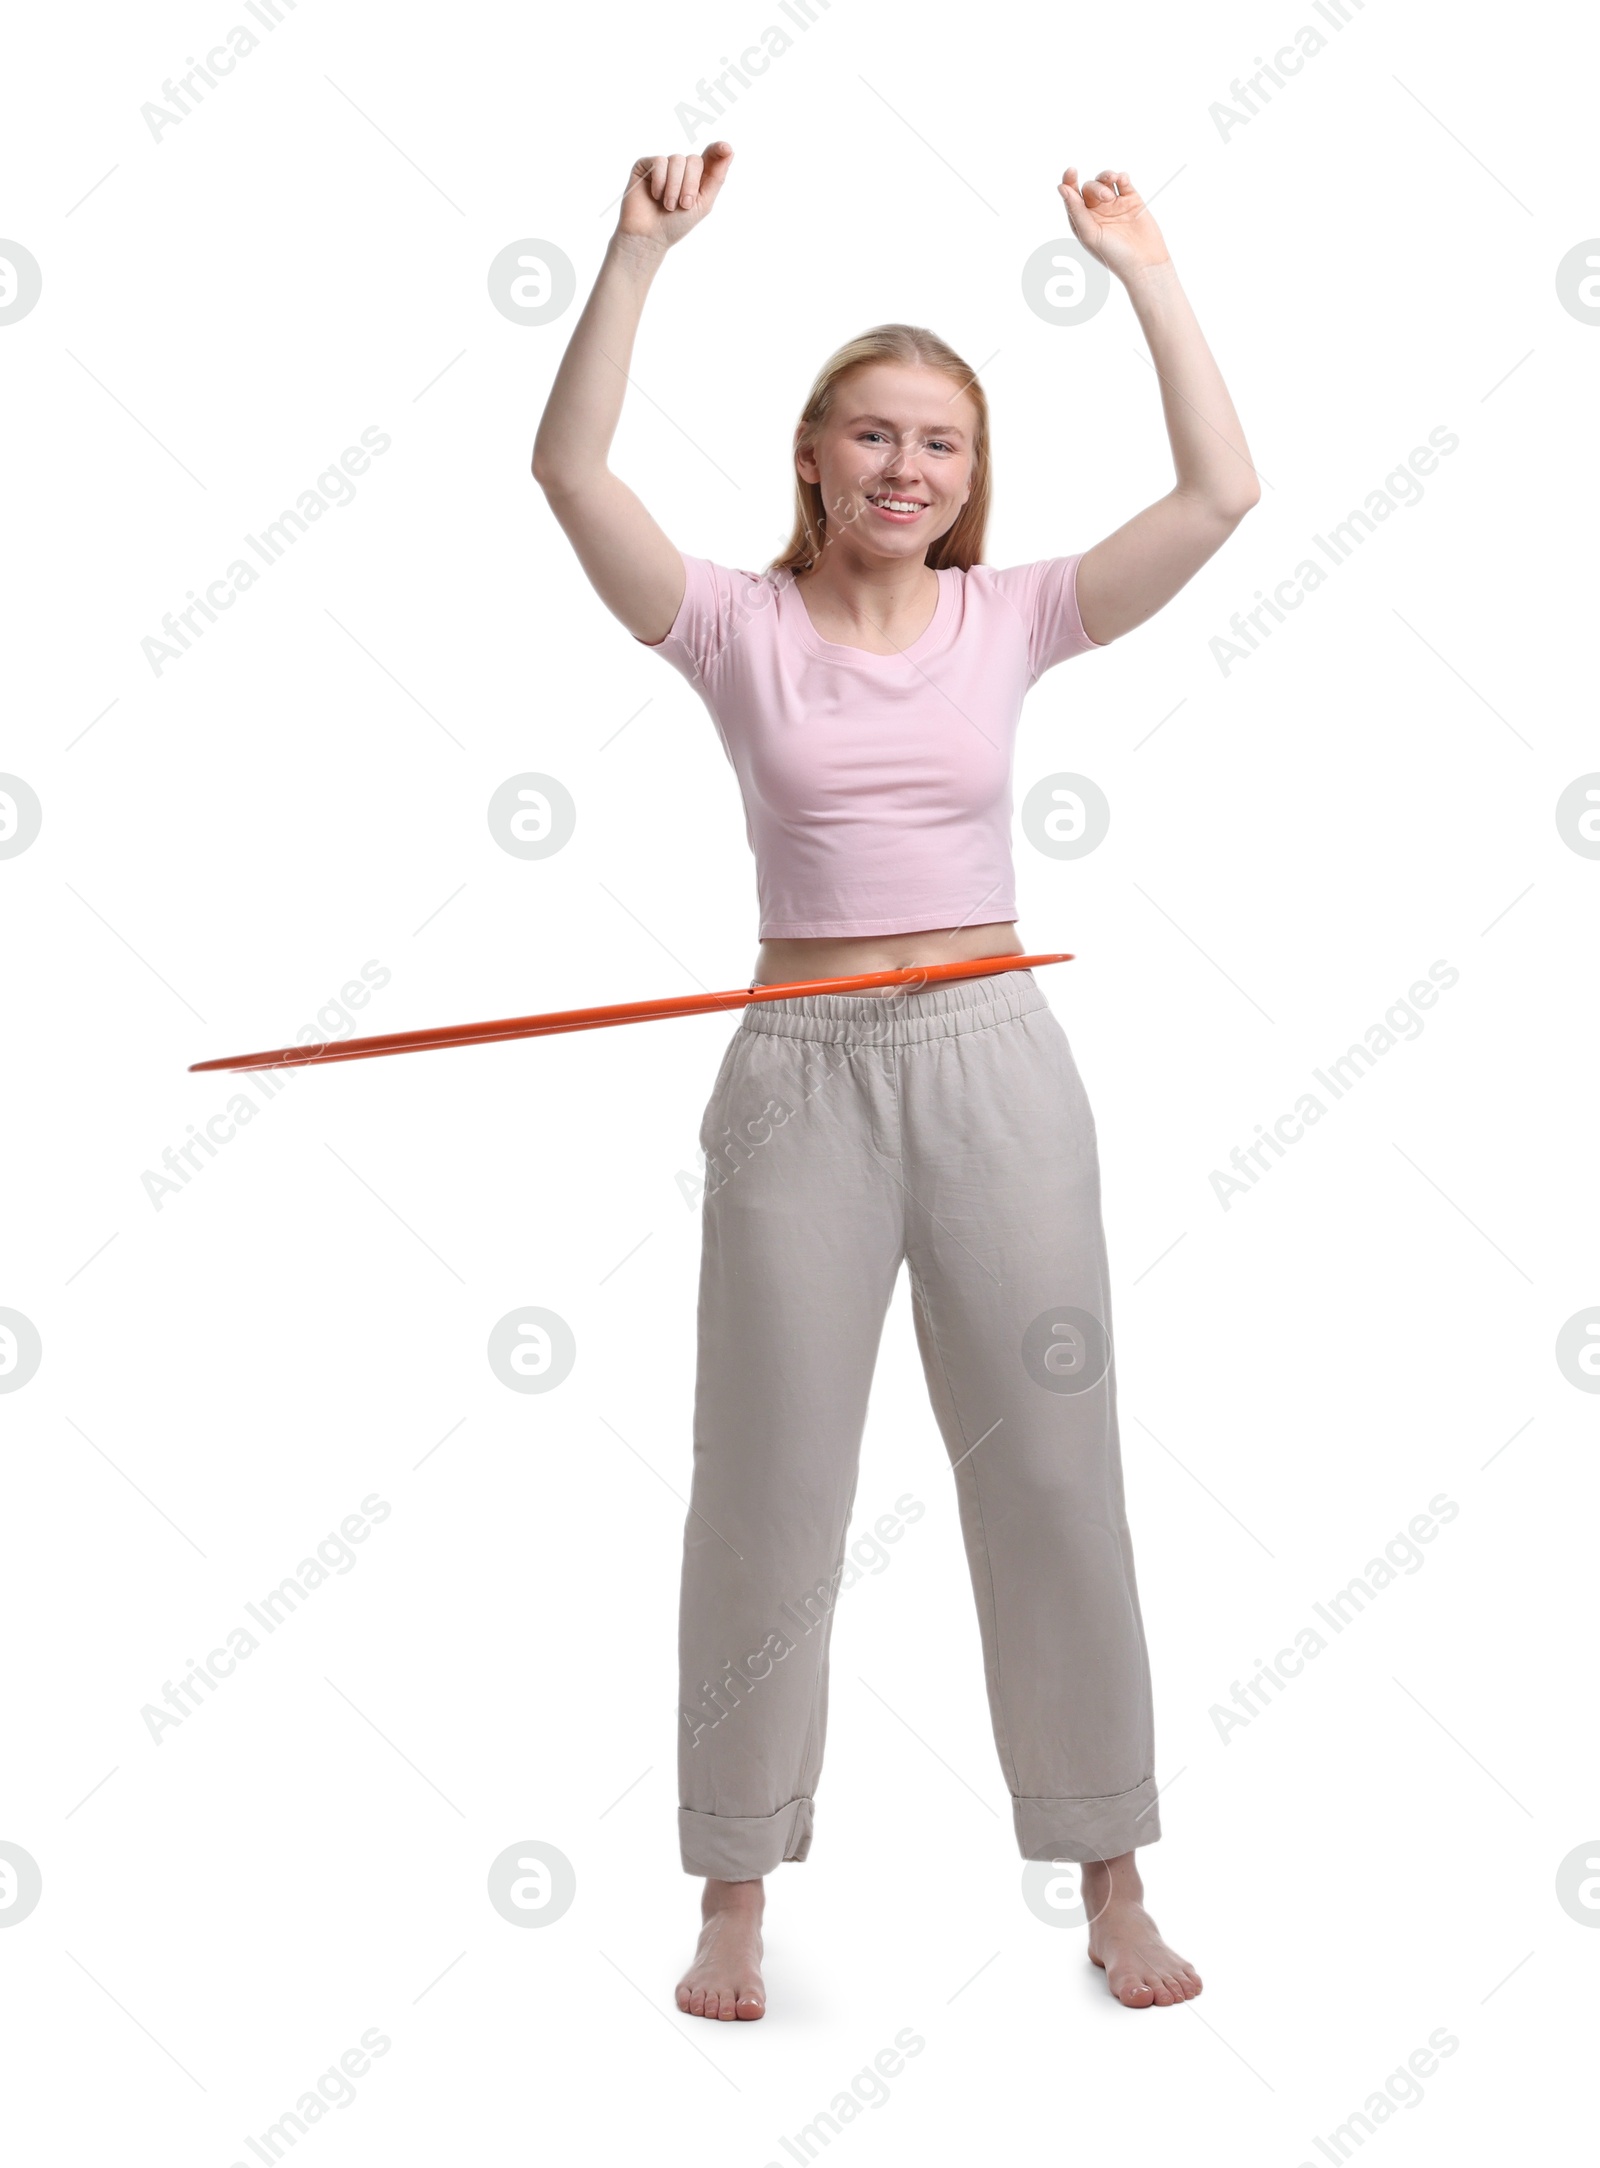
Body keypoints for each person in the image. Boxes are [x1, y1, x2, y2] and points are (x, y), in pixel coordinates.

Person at [532, 142, 1259, 2019]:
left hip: (995, 1069)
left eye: (938, 443)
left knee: (1055, 1481)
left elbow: (1223, 493)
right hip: (798, 1076)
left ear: (970, 476)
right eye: (871, 436)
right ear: (813, 457)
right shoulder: (732, 627)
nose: (903, 468)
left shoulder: (1011, 617)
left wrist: (1148, 275)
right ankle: (733, 1891)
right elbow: (567, 476)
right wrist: (633, 259)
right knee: (764, 1485)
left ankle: (1110, 1870)